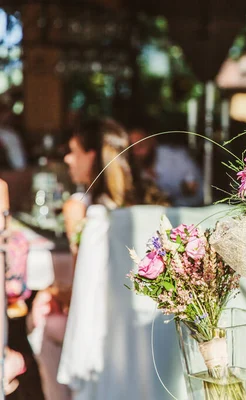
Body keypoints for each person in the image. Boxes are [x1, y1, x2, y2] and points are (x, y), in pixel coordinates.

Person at [28, 118, 146, 400]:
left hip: (99, 329)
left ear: (91, 155)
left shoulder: (81, 211)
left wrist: (51, 292)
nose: (68, 159)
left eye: (73, 151)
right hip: (138, 326)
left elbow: (86, 289)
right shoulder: (147, 201)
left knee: (41, 319)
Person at [128, 125, 204, 207]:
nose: (136, 152)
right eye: (132, 148)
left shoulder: (177, 157)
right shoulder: (131, 166)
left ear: (152, 141)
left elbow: (193, 189)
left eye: (141, 146)